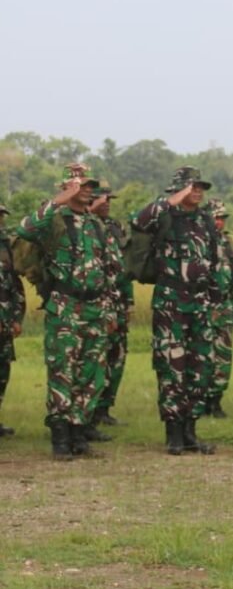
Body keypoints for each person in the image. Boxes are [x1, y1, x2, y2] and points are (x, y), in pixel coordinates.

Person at [15, 164, 120, 458]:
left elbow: (109, 270)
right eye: (82, 185)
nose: (88, 190)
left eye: (89, 185)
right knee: (63, 370)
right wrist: (58, 200)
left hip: (96, 308)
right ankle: (60, 437)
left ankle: (79, 433)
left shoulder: (95, 225)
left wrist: (110, 311)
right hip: (65, 308)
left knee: (92, 373)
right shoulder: (54, 220)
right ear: (67, 188)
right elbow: (24, 229)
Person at [133, 166, 219, 455]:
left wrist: (214, 301)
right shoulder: (164, 216)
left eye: (200, 187)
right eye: (192, 186)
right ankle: (173, 434)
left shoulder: (206, 221)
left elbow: (214, 261)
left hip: (200, 304)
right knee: (172, 367)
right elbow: (138, 220)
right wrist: (171, 199)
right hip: (171, 302)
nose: (197, 191)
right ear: (178, 189)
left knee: (200, 366)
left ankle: (190, 431)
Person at [90, 179, 133, 430]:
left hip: (117, 301)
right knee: (96, 357)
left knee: (117, 356)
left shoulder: (115, 227)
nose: (106, 203)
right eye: (101, 199)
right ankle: (89, 411)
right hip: (95, 303)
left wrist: (128, 302)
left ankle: (105, 407)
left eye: (109, 200)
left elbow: (123, 268)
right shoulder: (86, 227)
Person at [206, 198, 233, 418]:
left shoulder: (229, 243)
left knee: (224, 357)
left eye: (222, 218)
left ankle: (216, 401)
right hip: (205, 307)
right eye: (216, 218)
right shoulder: (199, 241)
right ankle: (200, 400)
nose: (219, 223)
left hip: (225, 307)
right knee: (203, 357)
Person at [0, 204, 25, 437]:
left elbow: (14, 283)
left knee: (2, 370)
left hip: (5, 322)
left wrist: (18, 316)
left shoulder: (5, 245)